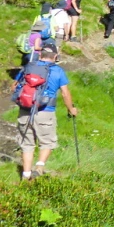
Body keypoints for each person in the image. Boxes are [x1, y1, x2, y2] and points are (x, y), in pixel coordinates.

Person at [15, 42, 77, 180]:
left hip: (25, 110)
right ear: (55, 56)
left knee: (27, 144)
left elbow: (15, 86)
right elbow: (65, 93)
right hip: (46, 111)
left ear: (40, 54)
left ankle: (26, 176)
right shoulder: (58, 71)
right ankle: (39, 166)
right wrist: (71, 109)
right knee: (47, 142)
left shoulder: (28, 67)